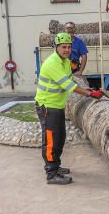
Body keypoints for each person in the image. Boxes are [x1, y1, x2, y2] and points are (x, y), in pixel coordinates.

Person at [35, 32, 102, 185]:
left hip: (57, 106)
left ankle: (56, 166)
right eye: (63, 47)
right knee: (51, 140)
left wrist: (88, 88)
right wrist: (90, 93)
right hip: (47, 106)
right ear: (56, 48)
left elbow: (71, 79)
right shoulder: (53, 63)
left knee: (60, 137)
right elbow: (69, 86)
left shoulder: (65, 62)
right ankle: (51, 174)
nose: (66, 50)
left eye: (69, 47)